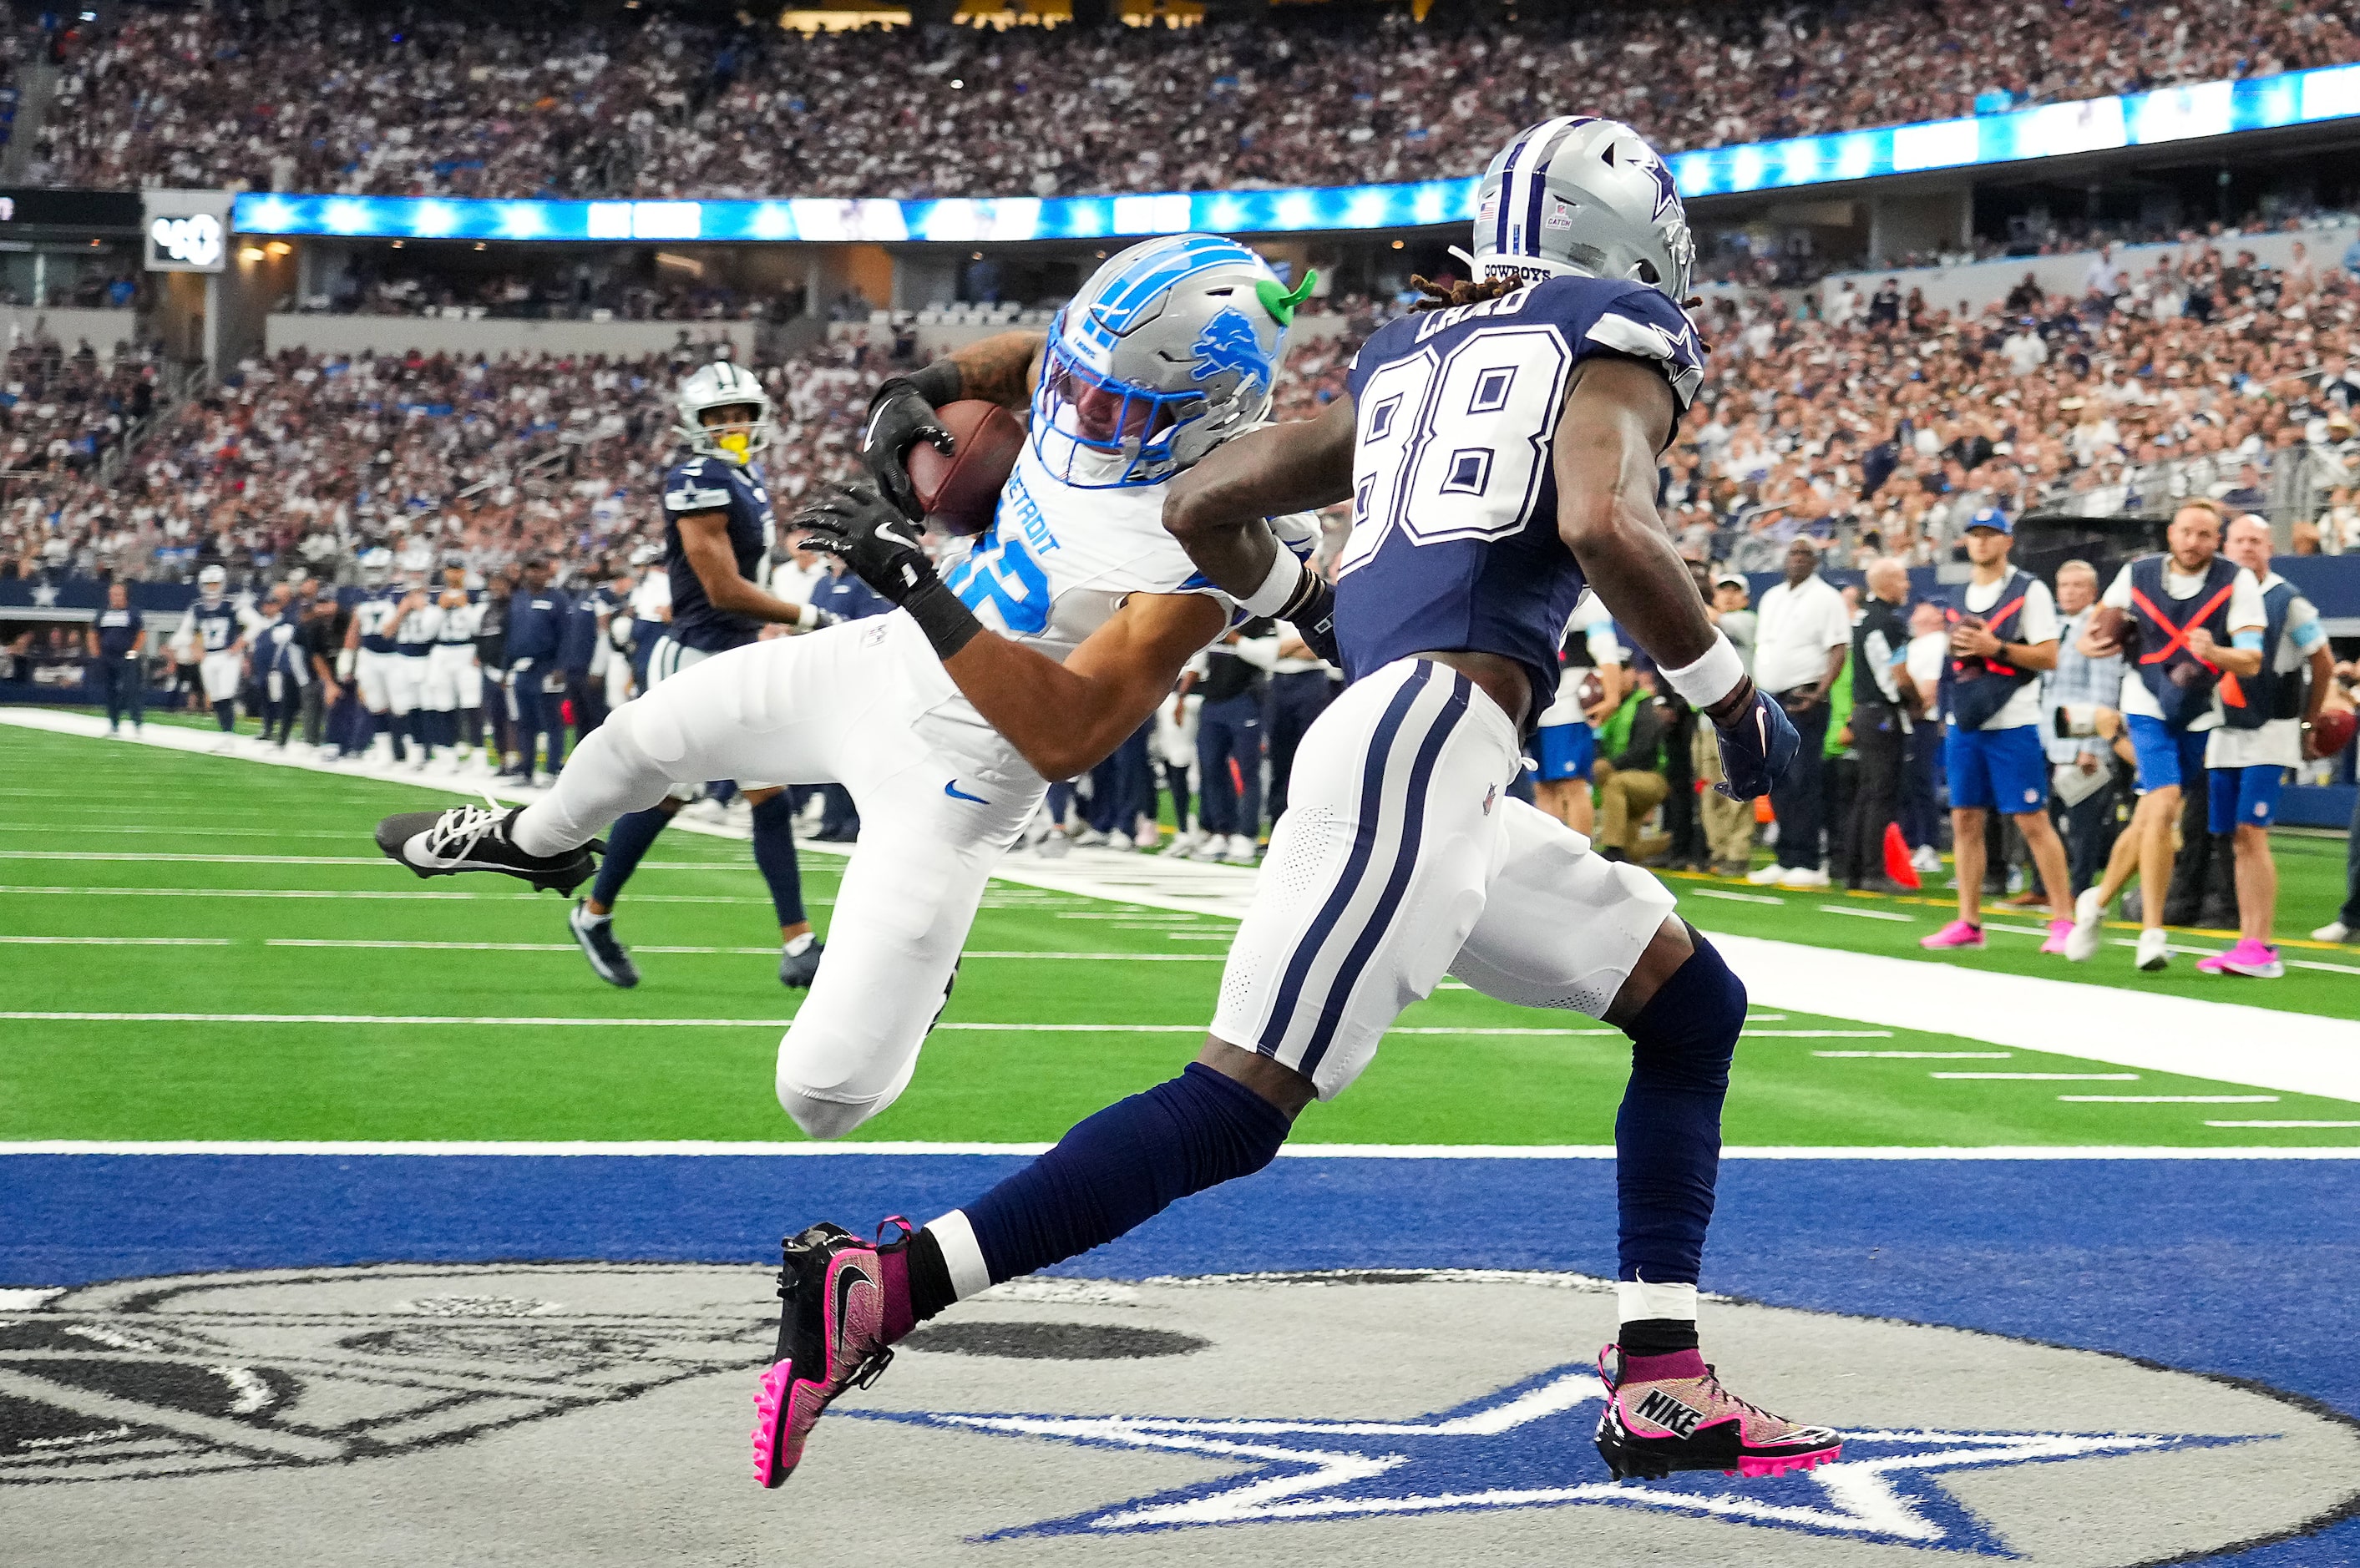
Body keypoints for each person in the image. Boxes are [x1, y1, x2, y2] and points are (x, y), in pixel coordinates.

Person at [742, 119, 1827, 1495]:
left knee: (1691, 1005)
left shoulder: (1406, 353)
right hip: (1426, 739)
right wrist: (1736, 704)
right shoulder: (1615, 328)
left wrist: (1309, 596)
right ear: (1623, 234)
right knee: (1235, 1104)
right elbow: (1605, 522)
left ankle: (1662, 1375)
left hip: (1427, 747)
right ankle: (885, 1285)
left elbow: (1202, 501)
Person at [373, 233, 1319, 1135]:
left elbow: (1067, 737)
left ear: (1212, 412)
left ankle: (922, 982)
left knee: (824, 1094)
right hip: (880, 659)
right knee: (637, 736)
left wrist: (917, 581)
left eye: (1107, 402)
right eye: (1076, 382)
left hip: (963, 772)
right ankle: (534, 844)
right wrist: (923, 386)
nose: (1072, 409)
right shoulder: (1096, 385)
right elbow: (1032, 356)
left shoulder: (1206, 537)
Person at [560, 363, 828, 989]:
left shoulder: (741, 475)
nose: (733, 426)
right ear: (695, 423)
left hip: (733, 655)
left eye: (741, 414)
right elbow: (721, 588)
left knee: (763, 796)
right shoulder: (696, 476)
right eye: (719, 417)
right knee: (665, 796)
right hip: (693, 659)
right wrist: (811, 614)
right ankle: (594, 913)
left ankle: (798, 943)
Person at [2064, 499, 2266, 971]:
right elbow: (2093, 630)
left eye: (2204, 535)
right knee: (2165, 798)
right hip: (2145, 700)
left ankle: (2095, 905)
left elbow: (2252, 660)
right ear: (2170, 533)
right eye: (2186, 532)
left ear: (2217, 540)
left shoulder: (2236, 582)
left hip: (2198, 710)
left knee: (2150, 818)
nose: (2193, 542)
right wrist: (2088, 643)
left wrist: (2216, 650)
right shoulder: (2138, 574)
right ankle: (2152, 933)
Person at [1918, 510, 2077, 953]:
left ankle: (2063, 918)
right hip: (1966, 720)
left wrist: (1997, 648)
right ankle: (1968, 920)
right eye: (1976, 536)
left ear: (2008, 542)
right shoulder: (1957, 595)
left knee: (2032, 818)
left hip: (2013, 719)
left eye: (1991, 536)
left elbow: (2049, 656)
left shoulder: (2030, 591)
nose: (1982, 543)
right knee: (1965, 818)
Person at [2194, 515, 2335, 978]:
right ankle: (2247, 940)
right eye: (2239, 540)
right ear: (2225, 546)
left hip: (2271, 728)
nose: (2247, 548)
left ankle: (2261, 945)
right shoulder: (2217, 596)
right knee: (2234, 838)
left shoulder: (2286, 600)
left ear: (2269, 548)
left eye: (2256, 541)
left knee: (2252, 834)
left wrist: (2309, 721)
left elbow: (2324, 660)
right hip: (2223, 728)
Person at [1746, 538, 1849, 888]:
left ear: (1816, 561)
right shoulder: (1773, 597)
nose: (1798, 560)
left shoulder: (1827, 598)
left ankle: (1807, 859)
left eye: (1805, 555)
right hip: (1771, 699)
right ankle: (1786, 856)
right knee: (1778, 779)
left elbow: (1838, 648)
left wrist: (1820, 692)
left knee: (1803, 778)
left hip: (1803, 697)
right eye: (1793, 554)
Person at [2041, 559, 2124, 895]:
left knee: (2083, 825)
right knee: (2042, 819)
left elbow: (2104, 691)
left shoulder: (2100, 627)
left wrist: (2092, 746)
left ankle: (2078, 891)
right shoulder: (2052, 627)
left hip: (2080, 739)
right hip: (2047, 737)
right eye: (2064, 585)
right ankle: (2044, 888)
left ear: (2093, 592)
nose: (2070, 592)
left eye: (2078, 586)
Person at [1836, 557, 1915, 892]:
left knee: (1866, 794)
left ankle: (1849, 869)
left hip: (1864, 714)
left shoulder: (1861, 619)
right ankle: (1873, 872)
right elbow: (1896, 675)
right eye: (1901, 579)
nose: (1907, 586)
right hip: (1883, 714)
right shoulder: (1889, 622)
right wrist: (1916, 699)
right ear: (1884, 583)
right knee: (1880, 795)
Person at [1531, 596, 1626, 837]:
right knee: (1543, 786)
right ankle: (1549, 855)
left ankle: (1581, 855)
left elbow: (1605, 648)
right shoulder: (1537, 590)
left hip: (1569, 707)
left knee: (1572, 784)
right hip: (1537, 704)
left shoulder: (1587, 599)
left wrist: (1612, 695)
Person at [1692, 574, 1755, 874]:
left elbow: (1714, 620)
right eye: (1723, 591)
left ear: (1745, 599)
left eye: (1735, 592)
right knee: (1710, 789)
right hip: (1707, 721)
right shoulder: (1704, 628)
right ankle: (1718, 850)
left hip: (1738, 720)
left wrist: (1692, 594)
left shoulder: (1747, 622)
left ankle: (1737, 852)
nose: (1729, 597)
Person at [500, 554, 570, 785]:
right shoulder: (518, 599)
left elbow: (566, 636)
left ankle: (551, 770)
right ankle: (525, 770)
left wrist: (560, 667)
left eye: (539, 569)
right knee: (525, 721)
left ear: (547, 572)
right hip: (522, 667)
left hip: (546, 666)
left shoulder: (557, 600)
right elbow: (510, 635)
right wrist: (505, 668)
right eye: (530, 569)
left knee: (551, 720)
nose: (534, 574)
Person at [1590, 679, 1670, 861]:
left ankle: (1612, 848)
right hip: (1625, 780)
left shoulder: (1644, 705)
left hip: (1651, 777)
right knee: (1632, 852)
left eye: (1624, 670)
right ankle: (1668, 844)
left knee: (1614, 783)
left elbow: (1644, 748)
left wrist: (1612, 765)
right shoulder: (1611, 707)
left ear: (1632, 673)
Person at [341, 549, 405, 764]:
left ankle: (406, 751)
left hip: (394, 655)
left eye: (378, 568)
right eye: (370, 569)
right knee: (375, 704)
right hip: (369, 654)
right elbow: (355, 627)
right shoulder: (361, 595)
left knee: (401, 706)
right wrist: (347, 656)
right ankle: (384, 750)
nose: (374, 573)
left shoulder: (398, 593)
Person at [423, 552, 484, 772]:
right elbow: (426, 631)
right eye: (450, 569)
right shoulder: (434, 596)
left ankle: (478, 756)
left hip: (466, 650)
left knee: (471, 704)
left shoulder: (475, 595)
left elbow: (478, 627)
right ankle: (448, 754)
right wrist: (441, 608)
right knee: (443, 703)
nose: (453, 574)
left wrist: (464, 606)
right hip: (442, 651)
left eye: (458, 570)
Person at [180, 564, 247, 747]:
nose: (212, 588)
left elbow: (252, 626)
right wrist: (195, 648)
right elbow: (186, 632)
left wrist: (239, 644)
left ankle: (229, 734)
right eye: (209, 584)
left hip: (227, 655)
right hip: (208, 656)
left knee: (225, 694)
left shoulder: (231, 605)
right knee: (216, 697)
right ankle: (226, 733)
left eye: (215, 584)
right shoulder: (197, 607)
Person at [85, 581, 144, 734]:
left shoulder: (132, 612)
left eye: (118, 594)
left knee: (130, 690)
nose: (115, 598)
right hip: (107, 657)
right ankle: (114, 724)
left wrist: (133, 652)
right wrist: (96, 653)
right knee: (110, 691)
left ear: (125, 596)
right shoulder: (103, 613)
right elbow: (93, 633)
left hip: (127, 657)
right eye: (112, 594)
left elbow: (141, 634)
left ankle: (137, 723)